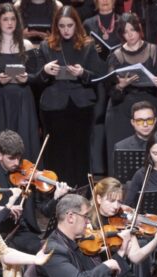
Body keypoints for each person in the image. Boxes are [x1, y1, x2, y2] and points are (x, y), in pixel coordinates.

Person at [37, 6, 105, 186]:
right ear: (56, 26)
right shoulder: (46, 45)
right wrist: (45, 71)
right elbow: (36, 78)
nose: (66, 30)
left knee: (80, 151)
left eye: (69, 25)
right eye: (62, 26)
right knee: (56, 151)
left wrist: (83, 73)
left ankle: (80, 189)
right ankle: (56, 191)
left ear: (76, 25)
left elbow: (99, 75)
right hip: (54, 107)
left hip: (81, 106)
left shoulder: (87, 45)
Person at [0, 130, 69, 253]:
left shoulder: (28, 171)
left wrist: (56, 198)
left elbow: (45, 211)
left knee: (62, 247)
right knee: (46, 252)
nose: (17, 163)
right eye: (11, 158)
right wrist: (6, 208)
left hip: (26, 231)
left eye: (19, 158)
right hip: (4, 232)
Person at [0, 4, 42, 162]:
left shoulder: (26, 45)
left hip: (23, 100)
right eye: (5, 19)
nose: (10, 23)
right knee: (0, 140)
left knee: (23, 138)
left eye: (13, 19)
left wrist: (27, 78)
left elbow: (37, 76)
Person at [105, 13, 157, 167]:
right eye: (125, 31)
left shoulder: (153, 50)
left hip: (149, 104)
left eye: (132, 30)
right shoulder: (116, 56)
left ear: (139, 29)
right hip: (123, 109)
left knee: (152, 151)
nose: (129, 35)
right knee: (124, 157)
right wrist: (122, 85)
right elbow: (112, 91)